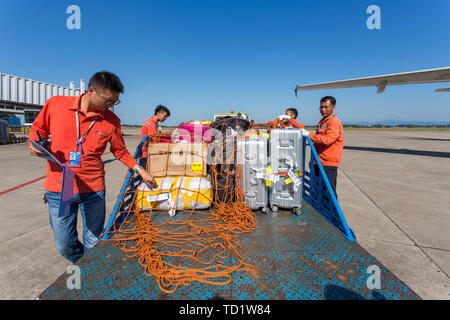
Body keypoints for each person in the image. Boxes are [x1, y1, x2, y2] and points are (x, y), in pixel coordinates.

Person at [28, 71, 156, 264]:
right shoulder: (56, 105)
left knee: (93, 240)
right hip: (62, 188)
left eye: (115, 102)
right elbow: (38, 130)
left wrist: (140, 169)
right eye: (108, 101)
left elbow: (120, 151)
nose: (111, 106)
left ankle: (88, 270)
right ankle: (84, 263)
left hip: (93, 190)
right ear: (91, 91)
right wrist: (33, 143)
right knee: (64, 244)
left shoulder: (112, 121)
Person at [300, 96, 344, 198]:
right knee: (318, 189)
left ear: (333, 107)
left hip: (327, 163)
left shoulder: (334, 122)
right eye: (321, 107)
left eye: (326, 107)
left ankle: (333, 214)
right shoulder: (323, 121)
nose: (323, 110)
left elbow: (327, 140)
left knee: (328, 192)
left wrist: (309, 135)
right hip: (318, 160)